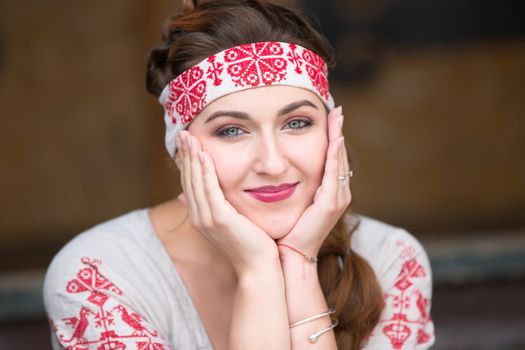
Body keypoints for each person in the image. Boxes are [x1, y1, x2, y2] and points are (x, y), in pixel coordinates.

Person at [43, 0, 435, 349]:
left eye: (297, 123)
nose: (273, 163)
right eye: (231, 130)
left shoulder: (392, 261)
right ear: (181, 149)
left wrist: (297, 263)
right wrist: (258, 271)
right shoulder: (101, 276)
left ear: (333, 131)